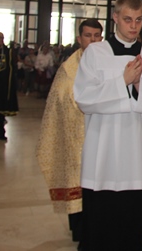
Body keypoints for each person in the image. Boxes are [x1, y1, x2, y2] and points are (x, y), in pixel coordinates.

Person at [74, 0, 142, 251]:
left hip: (136, 150)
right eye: (128, 19)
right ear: (115, 18)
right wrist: (122, 81)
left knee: (135, 220)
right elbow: (84, 98)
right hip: (103, 148)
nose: (133, 26)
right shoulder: (95, 53)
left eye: (138, 20)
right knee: (102, 221)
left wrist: (140, 84)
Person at [36, 19, 103, 248]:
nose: (92, 40)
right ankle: (79, 229)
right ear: (79, 39)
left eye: (96, 36)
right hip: (75, 134)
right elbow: (60, 99)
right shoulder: (68, 68)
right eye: (88, 36)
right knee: (76, 178)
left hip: (102, 133)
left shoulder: (110, 64)